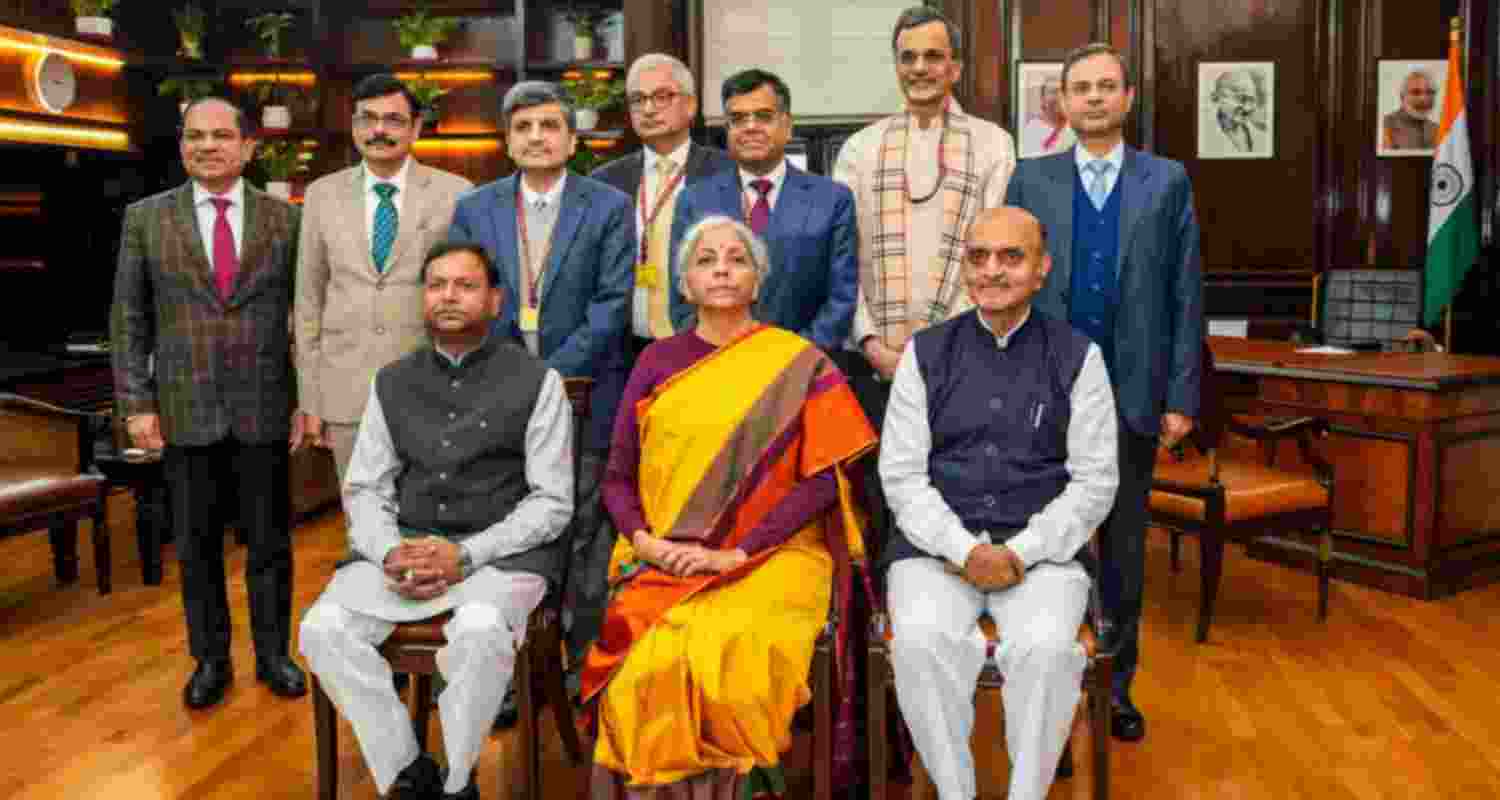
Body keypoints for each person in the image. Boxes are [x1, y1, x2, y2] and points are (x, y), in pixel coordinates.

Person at [579, 215, 877, 799]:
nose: (721, 269)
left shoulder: (799, 362)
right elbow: (617, 478)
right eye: (705, 260)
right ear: (684, 284)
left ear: (758, 280)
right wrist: (647, 542)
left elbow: (822, 484)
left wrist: (737, 553)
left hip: (774, 556)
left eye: (737, 259)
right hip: (665, 555)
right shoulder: (655, 361)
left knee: (731, 659)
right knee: (645, 667)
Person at [299, 241, 574, 800]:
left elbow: (552, 502)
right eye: (436, 285)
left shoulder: (538, 381)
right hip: (408, 551)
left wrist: (466, 555)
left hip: (501, 557)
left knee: (478, 630)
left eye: (465, 285)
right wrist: (388, 551)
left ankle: (457, 779)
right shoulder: (392, 381)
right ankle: (409, 769)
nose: (449, 296)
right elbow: (366, 487)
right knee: (320, 630)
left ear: (495, 300)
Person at [881, 206, 1118, 800]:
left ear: (1041, 269)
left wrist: (1021, 551)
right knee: (919, 643)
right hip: (934, 552)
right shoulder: (925, 353)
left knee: (1047, 651)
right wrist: (964, 549)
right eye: (978, 256)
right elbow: (902, 477)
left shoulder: (1079, 356)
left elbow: (1094, 483)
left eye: (1011, 257)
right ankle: (955, 792)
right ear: (965, 268)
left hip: (1043, 556)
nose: (992, 270)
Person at [1005, 42, 1203, 743]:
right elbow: (1006, 287)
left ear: (1128, 98)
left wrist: (1181, 395)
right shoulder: (1030, 179)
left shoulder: (1166, 181)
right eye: (1080, 87)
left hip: (1132, 396)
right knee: (1047, 544)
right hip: (1044, 393)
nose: (1093, 97)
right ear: (1062, 102)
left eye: (1106, 86)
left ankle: (1116, 686)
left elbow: (1185, 292)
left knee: (1121, 551)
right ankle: (1047, 683)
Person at [110, 97, 307, 709]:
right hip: (183, 407)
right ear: (182, 147)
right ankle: (211, 660)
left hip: (264, 405)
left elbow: (305, 317)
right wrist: (137, 405)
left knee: (270, 543)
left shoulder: (287, 220)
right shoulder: (146, 218)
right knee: (196, 548)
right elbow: (128, 318)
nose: (207, 146)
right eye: (195, 136)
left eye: (221, 136)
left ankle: (274, 654)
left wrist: (306, 399)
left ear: (249, 147)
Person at [448, 81, 633, 669]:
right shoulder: (474, 210)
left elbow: (612, 304)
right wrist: (514, 378)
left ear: (572, 140)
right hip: (499, 398)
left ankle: (581, 665)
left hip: (588, 394)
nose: (537, 137)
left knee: (584, 529)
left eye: (550, 126)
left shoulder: (608, 206)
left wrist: (549, 378)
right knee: (507, 525)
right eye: (523, 128)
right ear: (507, 142)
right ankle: (508, 667)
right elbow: (466, 298)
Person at [584, 52, 733, 664]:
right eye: (638, 100)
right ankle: (608, 625)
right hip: (622, 352)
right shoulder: (605, 181)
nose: (649, 108)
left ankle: (696, 610)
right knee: (618, 480)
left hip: (699, 352)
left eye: (663, 96)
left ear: (691, 106)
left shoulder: (723, 173)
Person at [295, 73, 473, 478]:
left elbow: (470, 299)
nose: (378, 130)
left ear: (416, 127)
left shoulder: (456, 194)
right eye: (367, 119)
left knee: (429, 509)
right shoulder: (322, 195)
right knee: (359, 511)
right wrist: (312, 398)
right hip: (345, 391)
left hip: (431, 387)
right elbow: (308, 298)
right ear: (353, 125)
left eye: (393, 120)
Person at [667, 68, 858, 353]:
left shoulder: (832, 201)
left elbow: (841, 299)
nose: (750, 127)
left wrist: (791, 360)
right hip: (716, 365)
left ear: (787, 126)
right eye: (738, 119)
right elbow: (681, 297)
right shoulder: (694, 201)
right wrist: (716, 357)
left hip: (802, 366)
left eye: (764, 116)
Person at [1206, 68, 1268, 154]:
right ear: (1216, 98)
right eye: (1241, 98)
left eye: (1251, 100)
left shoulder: (1262, 134)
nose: (1247, 108)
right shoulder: (1204, 135)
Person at [1019, 75, 1075, 158]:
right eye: (1053, 92)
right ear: (1043, 99)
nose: (1059, 96)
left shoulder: (1076, 127)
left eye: (1063, 91)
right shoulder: (1032, 129)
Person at [1382, 69, 1438, 150]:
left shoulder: (1436, 129)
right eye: (1416, 92)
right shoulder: (1387, 125)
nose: (1424, 98)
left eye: (1429, 92)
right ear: (1402, 97)